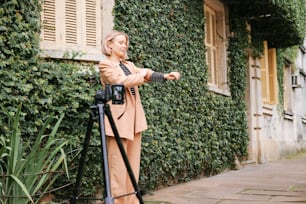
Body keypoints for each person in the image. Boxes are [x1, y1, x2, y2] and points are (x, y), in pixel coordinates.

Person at [99, 30, 180, 204]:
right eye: (120, 42)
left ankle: (132, 202)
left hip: (135, 121)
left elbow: (145, 72)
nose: (124, 45)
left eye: (125, 42)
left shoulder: (129, 65)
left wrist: (164, 76)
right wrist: (142, 76)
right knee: (118, 169)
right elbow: (121, 81)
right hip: (118, 122)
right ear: (110, 44)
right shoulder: (105, 65)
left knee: (132, 168)